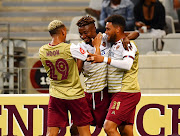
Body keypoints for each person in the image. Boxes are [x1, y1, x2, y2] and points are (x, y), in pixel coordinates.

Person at [70, 16, 139, 136]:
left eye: (86, 32)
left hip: (104, 94)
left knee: (117, 129)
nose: (83, 36)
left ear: (95, 29)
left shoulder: (105, 39)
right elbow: (80, 70)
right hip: (89, 93)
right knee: (75, 128)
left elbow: (134, 33)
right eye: (80, 33)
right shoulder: (80, 47)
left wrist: (127, 38)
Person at [39, 20, 93, 136]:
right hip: (75, 95)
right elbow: (90, 57)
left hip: (56, 95)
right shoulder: (71, 48)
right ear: (63, 31)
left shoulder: (42, 51)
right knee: (84, 132)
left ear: (50, 34)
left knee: (51, 133)